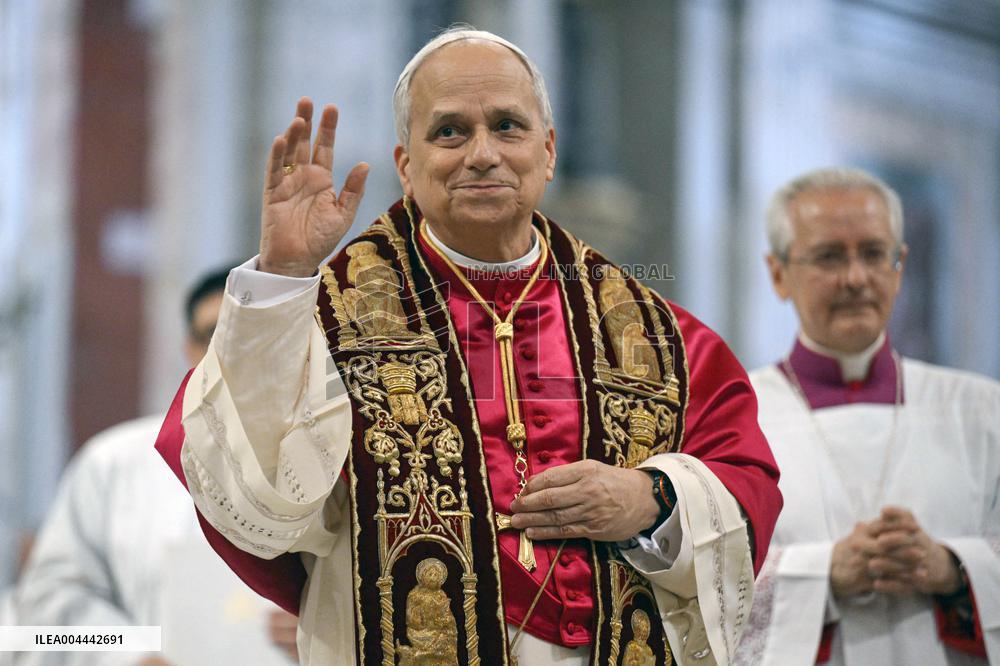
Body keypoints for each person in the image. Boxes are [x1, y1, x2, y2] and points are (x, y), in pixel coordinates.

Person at [155, 27, 782, 665]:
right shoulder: (325, 319)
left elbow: (745, 484)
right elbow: (245, 494)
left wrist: (652, 499)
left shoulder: (659, 336)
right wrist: (284, 277)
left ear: (549, 150)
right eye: (450, 131)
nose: (482, 154)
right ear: (406, 164)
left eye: (508, 126)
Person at [735, 168, 1000, 664]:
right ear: (778, 274)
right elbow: (697, 581)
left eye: (874, 254)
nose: (856, 278)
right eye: (830, 256)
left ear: (899, 268)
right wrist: (823, 573)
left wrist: (953, 568)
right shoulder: (731, 415)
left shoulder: (985, 412)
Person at [14, 269, 298, 666]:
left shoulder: (338, 470)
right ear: (188, 347)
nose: (231, 353)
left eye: (254, 336)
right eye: (214, 334)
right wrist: (133, 655)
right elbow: (44, 613)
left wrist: (325, 632)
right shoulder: (115, 466)